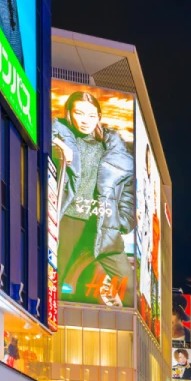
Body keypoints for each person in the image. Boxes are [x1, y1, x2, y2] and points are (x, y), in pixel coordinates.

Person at [52, 91, 135, 307]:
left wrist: (123, 222)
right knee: (58, 278)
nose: (85, 120)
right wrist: (60, 147)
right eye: (79, 113)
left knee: (129, 284)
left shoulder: (113, 147)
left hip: (103, 224)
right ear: (70, 113)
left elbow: (127, 187)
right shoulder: (60, 134)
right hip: (69, 219)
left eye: (91, 115)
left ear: (99, 116)